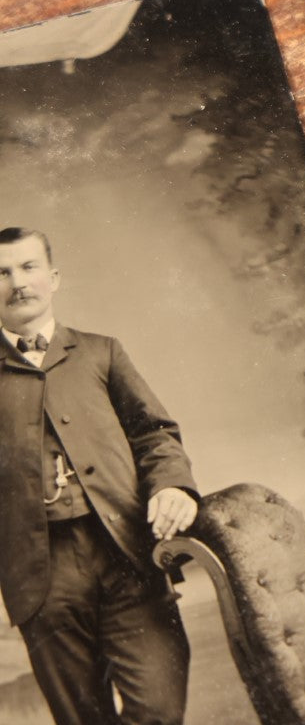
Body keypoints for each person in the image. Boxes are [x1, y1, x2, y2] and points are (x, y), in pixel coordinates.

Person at [0, 226, 197, 725]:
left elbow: (155, 435)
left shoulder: (101, 352)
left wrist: (172, 485)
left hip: (126, 555)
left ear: (54, 277)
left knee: (159, 709)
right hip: (40, 578)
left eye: (28, 267)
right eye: (1, 273)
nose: (16, 282)